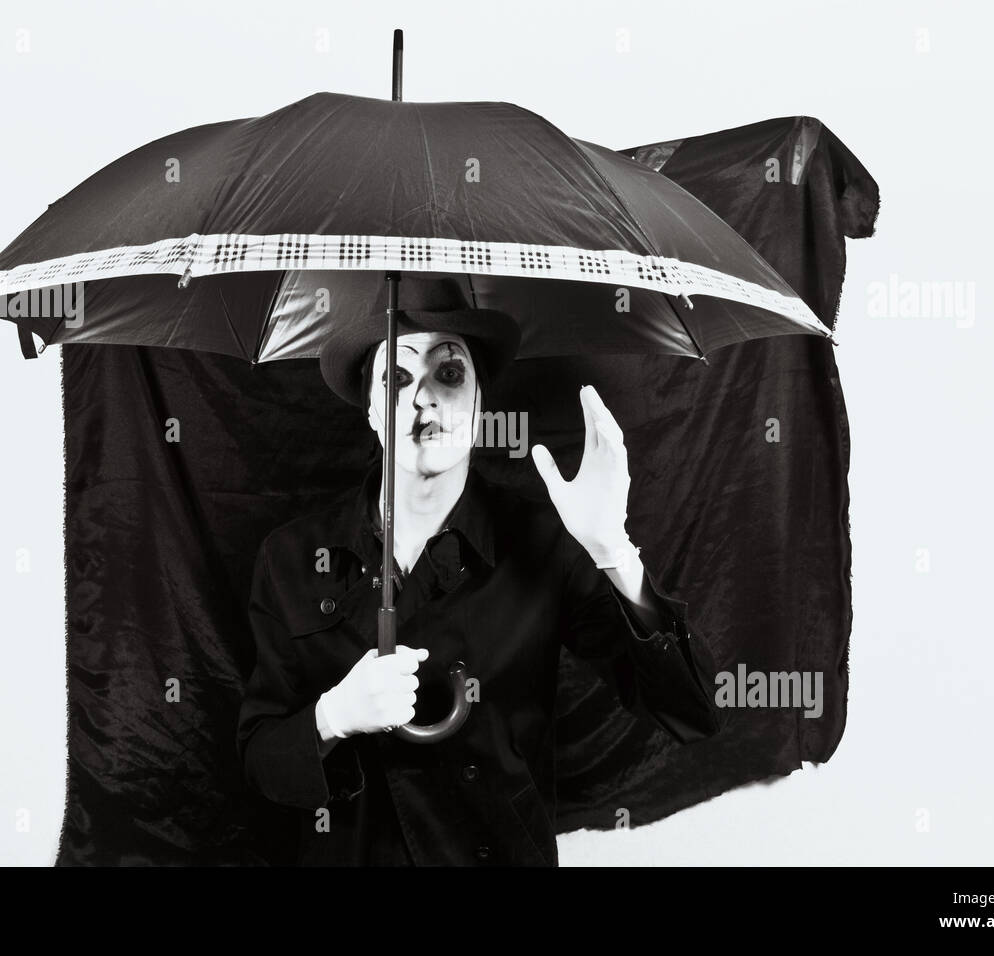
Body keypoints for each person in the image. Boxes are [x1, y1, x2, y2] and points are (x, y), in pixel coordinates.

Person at [236, 276, 722, 866]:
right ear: (369, 408)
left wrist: (612, 548)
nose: (423, 399)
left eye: (448, 372)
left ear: (479, 401)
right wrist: (333, 716)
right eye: (398, 377)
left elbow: (692, 710)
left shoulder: (542, 544)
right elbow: (262, 763)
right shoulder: (292, 558)